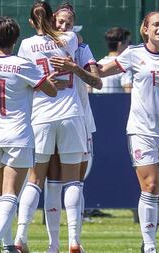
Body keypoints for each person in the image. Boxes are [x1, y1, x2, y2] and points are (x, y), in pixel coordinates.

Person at [99, 11, 159, 253]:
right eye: (156, 24)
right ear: (145, 29)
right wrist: (79, 66)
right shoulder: (133, 54)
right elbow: (102, 71)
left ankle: (148, 238)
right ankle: (151, 246)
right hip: (141, 130)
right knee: (150, 186)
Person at [0, 15, 57, 253]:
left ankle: (7, 245)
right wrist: (44, 80)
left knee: (0, 194)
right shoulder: (22, 64)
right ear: (16, 39)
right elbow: (50, 91)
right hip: (17, 135)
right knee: (10, 194)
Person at [13, 2, 86, 253]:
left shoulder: (26, 45)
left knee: (34, 180)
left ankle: (21, 236)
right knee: (72, 180)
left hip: (41, 114)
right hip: (69, 113)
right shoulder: (71, 38)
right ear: (53, 17)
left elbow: (22, 78)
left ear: (33, 21)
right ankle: (74, 240)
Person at [42, 2, 102, 252]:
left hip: (77, 118)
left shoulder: (81, 47)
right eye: (60, 22)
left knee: (72, 180)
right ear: (51, 21)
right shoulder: (39, 45)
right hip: (49, 118)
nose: (64, 26)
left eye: (68, 23)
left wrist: (75, 68)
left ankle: (72, 240)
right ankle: (55, 244)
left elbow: (97, 81)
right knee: (52, 181)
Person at [95, 27, 132, 93]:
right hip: (117, 103)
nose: (130, 46)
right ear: (120, 44)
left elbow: (88, 90)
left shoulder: (97, 65)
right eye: (129, 43)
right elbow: (129, 92)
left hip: (97, 102)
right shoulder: (124, 65)